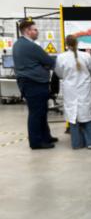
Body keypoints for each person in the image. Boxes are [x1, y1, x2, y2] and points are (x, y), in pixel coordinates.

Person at [12, 19, 57, 149]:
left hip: (30, 83)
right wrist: (45, 66)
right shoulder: (30, 46)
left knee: (41, 112)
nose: (37, 32)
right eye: (35, 29)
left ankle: (46, 137)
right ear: (27, 31)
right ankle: (36, 142)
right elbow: (48, 60)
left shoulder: (18, 44)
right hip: (34, 84)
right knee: (36, 113)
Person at [55, 35, 91, 149]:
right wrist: (90, 55)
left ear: (66, 44)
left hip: (70, 91)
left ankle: (76, 143)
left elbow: (59, 74)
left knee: (73, 116)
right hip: (84, 90)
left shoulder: (61, 57)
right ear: (77, 43)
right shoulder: (86, 56)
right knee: (87, 115)